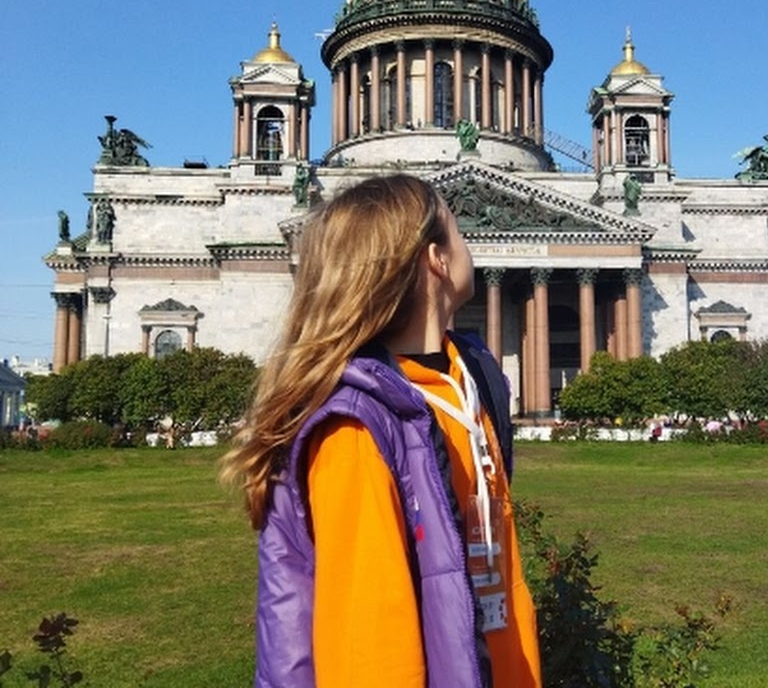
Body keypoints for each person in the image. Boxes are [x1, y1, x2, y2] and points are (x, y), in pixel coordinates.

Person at [221, 174, 541, 687]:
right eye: (459, 231)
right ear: (436, 260)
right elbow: (370, 651)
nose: (471, 244)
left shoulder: (466, 384)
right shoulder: (354, 430)